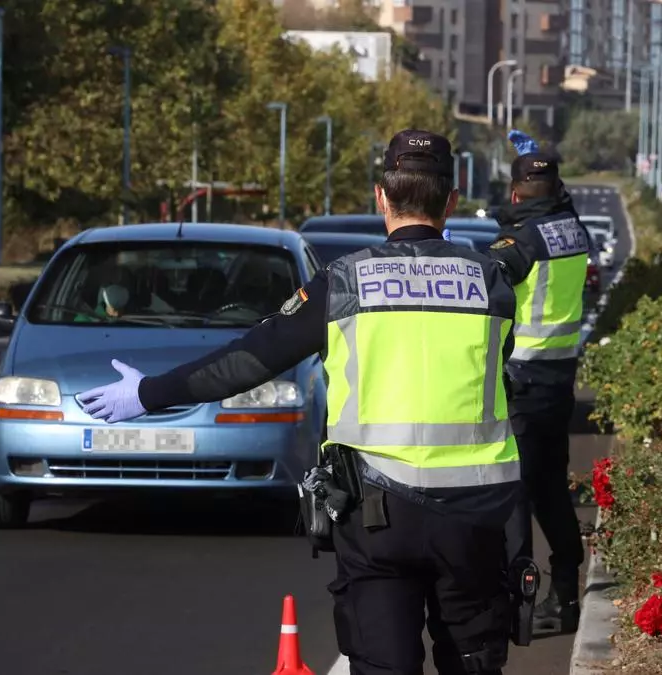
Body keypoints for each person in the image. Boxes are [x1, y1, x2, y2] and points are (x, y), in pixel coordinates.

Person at [77, 129, 533, 675]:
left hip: (377, 515)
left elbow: (249, 360)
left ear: (380, 197)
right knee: (475, 663)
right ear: (451, 201)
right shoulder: (490, 283)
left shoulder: (343, 282)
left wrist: (149, 393)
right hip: (475, 517)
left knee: (383, 665)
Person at [485, 130, 589, 634]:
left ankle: (517, 603)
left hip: (522, 380)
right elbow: (554, 205)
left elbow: (485, 290)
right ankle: (565, 596)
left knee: (515, 496)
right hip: (559, 379)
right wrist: (538, 156)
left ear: (514, 191)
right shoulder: (572, 227)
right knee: (550, 489)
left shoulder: (520, 243)